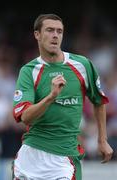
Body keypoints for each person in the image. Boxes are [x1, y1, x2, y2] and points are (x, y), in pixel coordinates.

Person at [12, 13, 113, 180]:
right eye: (50, 30)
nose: (55, 36)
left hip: (64, 159)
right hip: (31, 157)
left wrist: (102, 139)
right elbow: (25, 117)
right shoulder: (29, 71)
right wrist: (51, 97)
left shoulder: (82, 65)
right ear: (37, 34)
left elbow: (99, 100)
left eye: (59, 31)